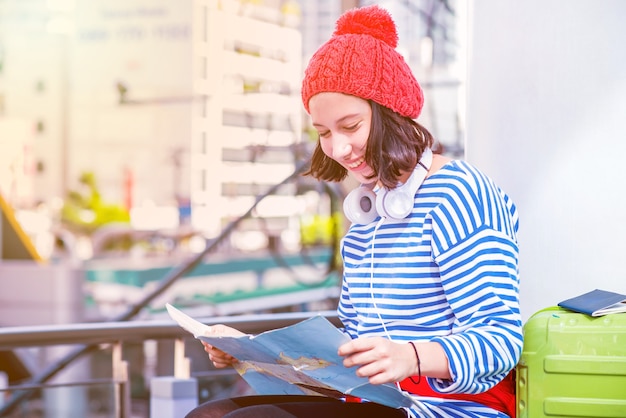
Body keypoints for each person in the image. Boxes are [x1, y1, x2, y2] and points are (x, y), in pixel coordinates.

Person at [185, 4, 522, 418]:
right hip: (378, 402)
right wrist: (249, 352)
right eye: (324, 133)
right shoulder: (366, 219)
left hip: (448, 409)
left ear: (391, 113)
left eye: (350, 126)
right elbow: (353, 352)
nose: (338, 149)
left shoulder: (460, 193)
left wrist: (411, 356)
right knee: (210, 415)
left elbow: (501, 340)